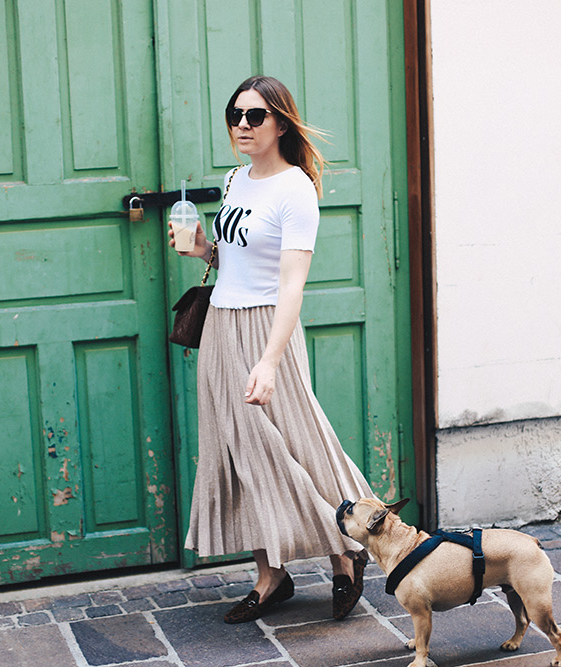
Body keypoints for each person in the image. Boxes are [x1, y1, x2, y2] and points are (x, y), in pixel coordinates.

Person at [168, 75, 375, 624]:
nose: (241, 125)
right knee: (238, 449)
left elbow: (291, 286)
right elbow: (235, 258)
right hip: (220, 325)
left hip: (267, 330)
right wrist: (204, 251)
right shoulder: (235, 180)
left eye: (254, 116)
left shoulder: (295, 189)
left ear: (280, 122)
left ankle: (345, 551)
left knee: (299, 443)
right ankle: (271, 575)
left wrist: (268, 360)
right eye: (235, 114)